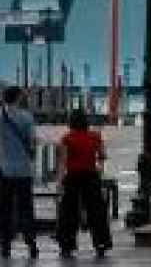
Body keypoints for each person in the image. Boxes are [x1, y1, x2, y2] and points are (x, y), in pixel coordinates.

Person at [54, 108, 112, 258]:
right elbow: (103, 155)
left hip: (73, 176)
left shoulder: (67, 138)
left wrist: (59, 182)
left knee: (68, 211)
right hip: (91, 175)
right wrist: (99, 168)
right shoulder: (95, 136)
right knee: (96, 210)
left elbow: (62, 162)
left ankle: (67, 244)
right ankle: (101, 242)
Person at [0, 85, 40, 259]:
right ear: (18, 98)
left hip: (4, 167)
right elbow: (32, 141)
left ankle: (5, 246)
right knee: (26, 207)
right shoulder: (27, 117)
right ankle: (30, 242)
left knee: (5, 208)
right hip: (23, 169)